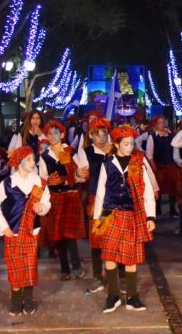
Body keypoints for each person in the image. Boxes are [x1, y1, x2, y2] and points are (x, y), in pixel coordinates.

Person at [93, 125, 156, 313]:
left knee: (131, 258)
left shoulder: (138, 164)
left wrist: (150, 216)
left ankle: (132, 296)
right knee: (109, 255)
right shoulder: (107, 164)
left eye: (132, 143)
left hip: (132, 216)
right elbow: (100, 193)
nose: (130, 147)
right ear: (117, 144)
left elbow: (147, 194)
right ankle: (113, 295)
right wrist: (97, 219)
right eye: (126, 143)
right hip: (111, 215)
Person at [0, 146, 51, 315]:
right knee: (14, 269)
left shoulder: (39, 182)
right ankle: (16, 302)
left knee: (30, 267)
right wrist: (3, 227)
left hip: (31, 232)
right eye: (28, 159)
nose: (33, 162)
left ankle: (28, 300)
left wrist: (42, 207)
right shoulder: (7, 183)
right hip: (13, 233)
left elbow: (47, 202)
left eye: (33, 159)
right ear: (19, 161)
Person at [38, 120, 88, 281]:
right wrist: (48, 182)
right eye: (50, 134)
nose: (52, 136)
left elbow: (80, 177)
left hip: (71, 196)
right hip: (55, 198)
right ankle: (64, 268)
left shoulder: (71, 153)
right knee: (58, 235)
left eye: (56, 133)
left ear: (63, 134)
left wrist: (68, 179)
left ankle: (76, 266)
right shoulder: (44, 157)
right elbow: (41, 179)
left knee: (70, 234)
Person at [74, 117, 113, 293]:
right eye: (96, 133)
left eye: (103, 132)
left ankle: (114, 276)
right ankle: (98, 276)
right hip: (95, 199)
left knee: (114, 239)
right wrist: (78, 173)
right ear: (91, 134)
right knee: (96, 240)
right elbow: (81, 176)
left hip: (115, 199)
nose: (100, 137)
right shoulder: (86, 152)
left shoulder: (116, 149)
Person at [146, 115, 179, 217]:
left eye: (164, 122)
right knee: (158, 188)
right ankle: (158, 209)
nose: (163, 124)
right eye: (160, 122)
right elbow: (149, 154)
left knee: (172, 188)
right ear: (156, 125)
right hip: (159, 166)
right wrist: (153, 165)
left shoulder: (171, 135)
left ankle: (172, 209)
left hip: (170, 165)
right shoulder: (152, 136)